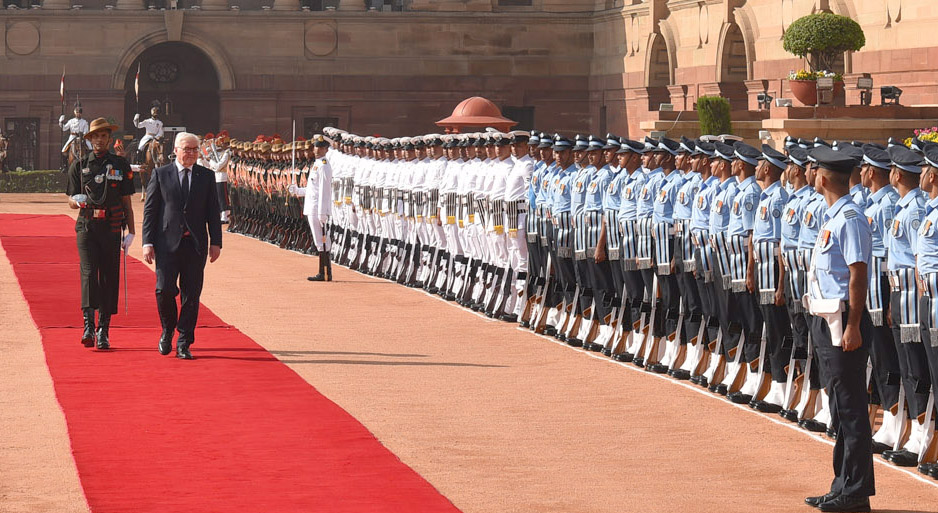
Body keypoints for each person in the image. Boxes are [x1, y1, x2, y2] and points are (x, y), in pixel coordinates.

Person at [802, 146, 874, 513]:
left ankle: (857, 492)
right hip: (827, 318)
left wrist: (855, 326)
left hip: (844, 321)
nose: (811, 174)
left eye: (815, 170)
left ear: (825, 178)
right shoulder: (832, 216)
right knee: (839, 406)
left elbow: (858, 273)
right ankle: (842, 485)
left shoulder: (849, 218)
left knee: (850, 408)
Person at [142, 131, 223, 360]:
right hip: (166, 243)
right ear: (175, 150)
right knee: (164, 290)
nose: (190, 154)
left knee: (191, 294)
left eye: (194, 149)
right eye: (186, 149)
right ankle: (168, 329)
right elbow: (151, 211)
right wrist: (147, 242)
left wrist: (216, 242)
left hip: (195, 244)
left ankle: (184, 341)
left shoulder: (206, 176)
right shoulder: (160, 174)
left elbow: (212, 212)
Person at [65, 117, 136, 350]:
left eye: (103, 135)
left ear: (109, 138)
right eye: (95, 136)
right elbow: (70, 199)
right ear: (90, 139)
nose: (99, 140)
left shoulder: (120, 165)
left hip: (112, 227)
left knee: (108, 276)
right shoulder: (80, 165)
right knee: (88, 274)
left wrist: (132, 232)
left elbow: (126, 202)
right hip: (86, 227)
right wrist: (76, 202)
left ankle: (104, 329)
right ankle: (88, 325)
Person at [288, 134, 333, 281]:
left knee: (322, 241)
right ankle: (322, 271)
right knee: (318, 240)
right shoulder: (316, 164)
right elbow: (312, 189)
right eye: (316, 147)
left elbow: (324, 190)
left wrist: (322, 212)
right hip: (312, 206)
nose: (317, 150)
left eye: (320, 147)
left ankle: (325, 273)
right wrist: (298, 191)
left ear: (326, 149)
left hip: (318, 208)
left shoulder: (324, 165)